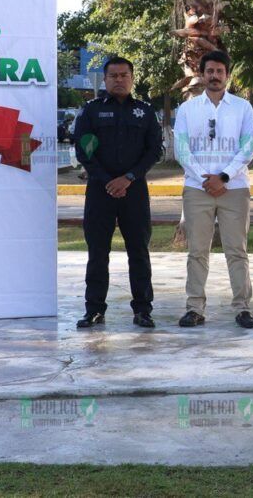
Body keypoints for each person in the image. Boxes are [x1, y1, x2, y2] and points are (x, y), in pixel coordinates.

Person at [74, 57, 163, 329]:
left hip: (134, 192)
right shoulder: (90, 111)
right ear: (105, 78)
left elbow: (154, 151)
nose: (119, 80)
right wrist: (108, 181)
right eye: (113, 75)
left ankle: (143, 310)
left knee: (138, 252)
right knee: (97, 253)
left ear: (132, 78)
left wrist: (128, 178)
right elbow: (82, 150)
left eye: (124, 75)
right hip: (100, 192)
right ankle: (95, 310)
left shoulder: (145, 112)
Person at [173, 50, 253, 328]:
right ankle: (194, 307)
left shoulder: (242, 107)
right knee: (197, 250)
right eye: (210, 71)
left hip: (234, 188)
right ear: (202, 73)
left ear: (227, 75)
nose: (215, 76)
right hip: (197, 189)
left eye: (220, 71)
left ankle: (242, 307)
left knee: (237, 250)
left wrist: (223, 176)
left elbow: (248, 147)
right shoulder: (188, 109)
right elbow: (182, 150)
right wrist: (204, 179)